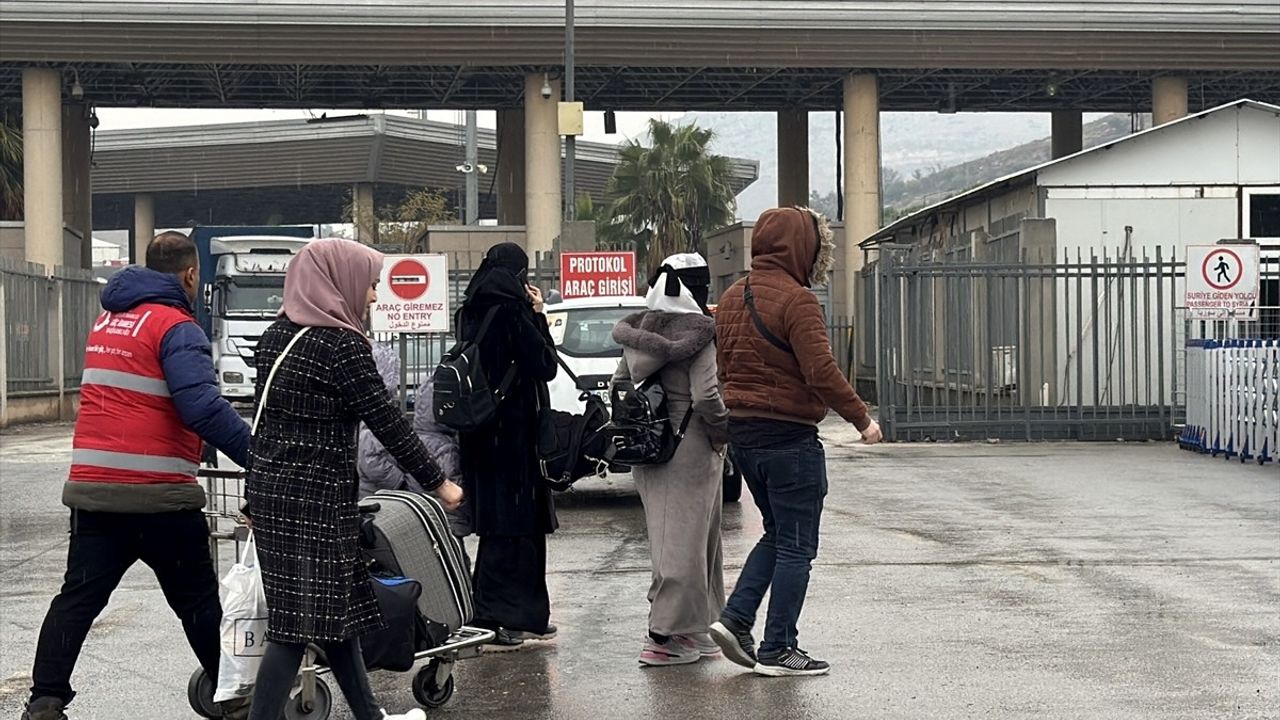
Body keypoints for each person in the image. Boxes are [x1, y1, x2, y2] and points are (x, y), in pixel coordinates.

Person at [24, 232, 252, 720]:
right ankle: (230, 695)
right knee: (196, 601)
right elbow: (202, 407)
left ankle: (45, 700)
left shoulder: (108, 321)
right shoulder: (176, 325)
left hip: (94, 490)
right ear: (191, 274)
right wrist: (261, 456)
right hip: (159, 498)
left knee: (77, 599)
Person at [244, 239, 462, 720]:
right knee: (295, 625)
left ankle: (370, 715)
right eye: (370, 283)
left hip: (275, 495)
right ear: (338, 282)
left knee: (333, 613)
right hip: (316, 503)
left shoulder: (275, 336)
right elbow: (388, 423)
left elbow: (265, 424)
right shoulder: (342, 346)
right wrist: (439, 483)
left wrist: (250, 496)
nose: (375, 296)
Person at [709, 207, 884, 677]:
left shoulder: (729, 297)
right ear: (803, 247)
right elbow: (820, 371)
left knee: (778, 534)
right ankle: (778, 648)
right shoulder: (798, 300)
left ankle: (736, 619)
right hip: (788, 439)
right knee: (798, 546)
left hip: (743, 436)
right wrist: (861, 419)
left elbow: (724, 367)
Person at [611, 253, 730, 666]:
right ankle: (663, 637)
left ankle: (691, 628)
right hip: (691, 445)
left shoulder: (638, 331)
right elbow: (707, 395)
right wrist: (722, 432)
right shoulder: (699, 333)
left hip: (649, 448)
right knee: (690, 543)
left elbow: (621, 383)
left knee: (668, 541)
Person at [456, 242, 559, 651]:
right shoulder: (515, 311)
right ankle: (504, 616)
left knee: (498, 527)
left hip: (479, 432)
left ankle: (512, 614)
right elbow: (545, 365)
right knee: (518, 528)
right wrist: (540, 318)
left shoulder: (469, 310)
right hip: (514, 435)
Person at [357, 342, 472, 545]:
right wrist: (398, 483)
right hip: (435, 518)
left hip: (378, 500)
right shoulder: (443, 449)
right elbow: (370, 461)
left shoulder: (373, 424)